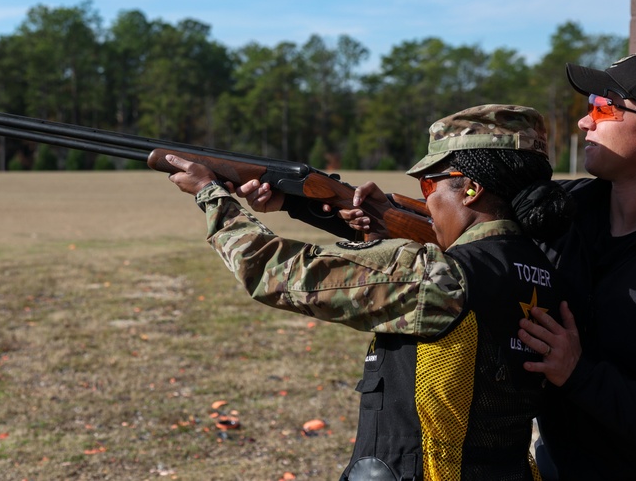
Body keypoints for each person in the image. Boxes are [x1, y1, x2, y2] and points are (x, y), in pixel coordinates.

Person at [166, 104, 573, 481]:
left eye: (430, 187)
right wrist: (304, 204)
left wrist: (211, 195)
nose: (427, 203)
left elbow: (272, 272)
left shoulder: (439, 275)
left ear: (470, 190)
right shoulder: (546, 270)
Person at [513, 50, 636, 480]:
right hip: (556, 464)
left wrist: (579, 374)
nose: (584, 121)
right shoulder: (562, 210)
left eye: (603, 106)